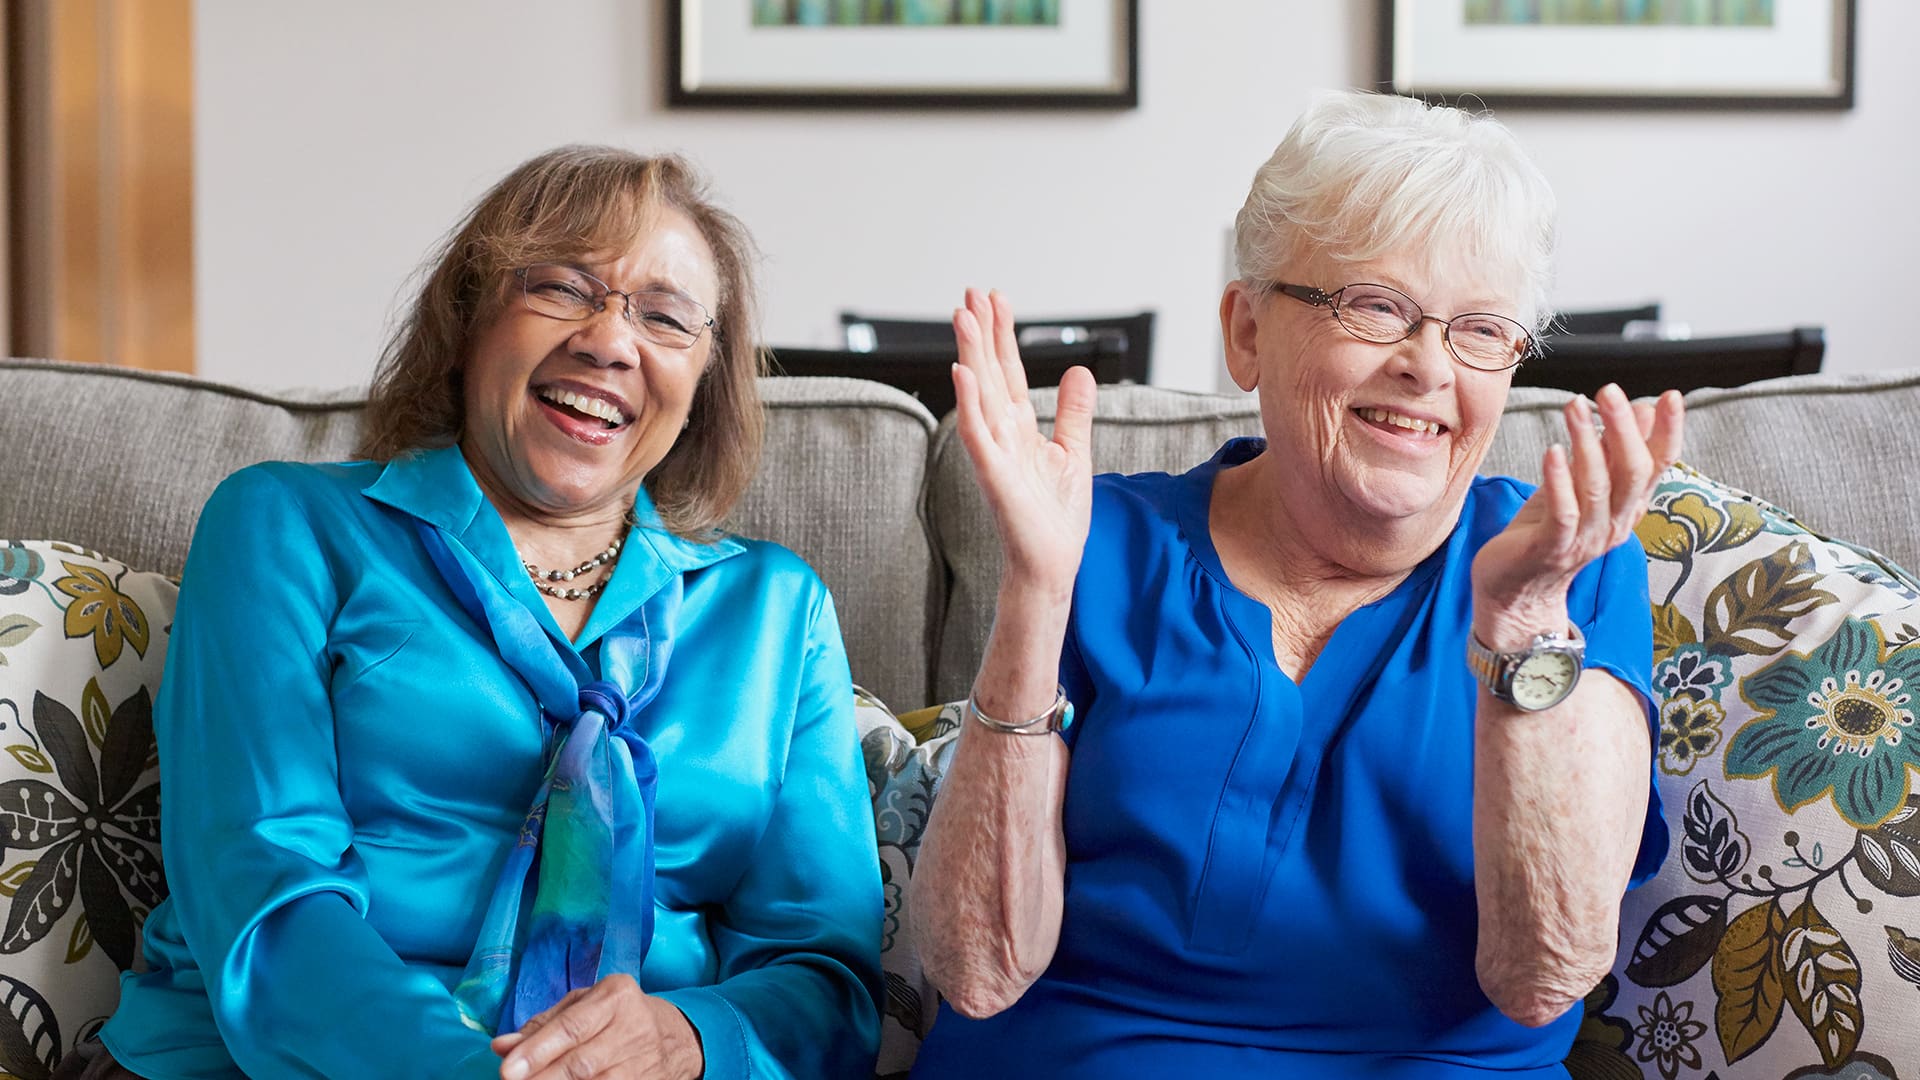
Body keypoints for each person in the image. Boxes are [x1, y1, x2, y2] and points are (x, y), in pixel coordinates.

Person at [908, 91, 1685, 1077]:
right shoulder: (1093, 541)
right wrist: (1034, 590)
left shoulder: (1568, 566)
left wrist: (1521, 624)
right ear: (1246, 332)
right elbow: (975, 970)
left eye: (1480, 329)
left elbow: (1545, 975)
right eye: (1377, 307)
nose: (1426, 367)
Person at [64, 147, 882, 1080]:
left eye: (664, 317)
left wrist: (687, 1041)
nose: (611, 342)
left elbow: (825, 978)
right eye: (565, 288)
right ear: (467, 319)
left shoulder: (777, 610)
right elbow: (266, 896)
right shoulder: (286, 526)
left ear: (703, 384)